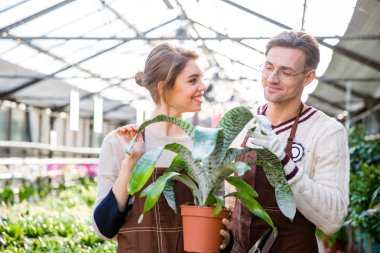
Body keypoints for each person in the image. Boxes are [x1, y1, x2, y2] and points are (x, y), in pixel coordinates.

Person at [92, 42, 230, 252]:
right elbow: (103, 229)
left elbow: (221, 219)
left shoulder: (205, 144)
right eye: (193, 80)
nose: (203, 86)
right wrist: (130, 164)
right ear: (163, 86)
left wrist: (226, 238)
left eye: (202, 78)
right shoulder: (121, 141)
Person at [227, 30, 350, 252]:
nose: (272, 78)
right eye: (269, 67)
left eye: (286, 72)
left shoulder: (327, 132)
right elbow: (229, 203)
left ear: (308, 77)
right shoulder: (244, 123)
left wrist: (284, 163)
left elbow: (333, 219)